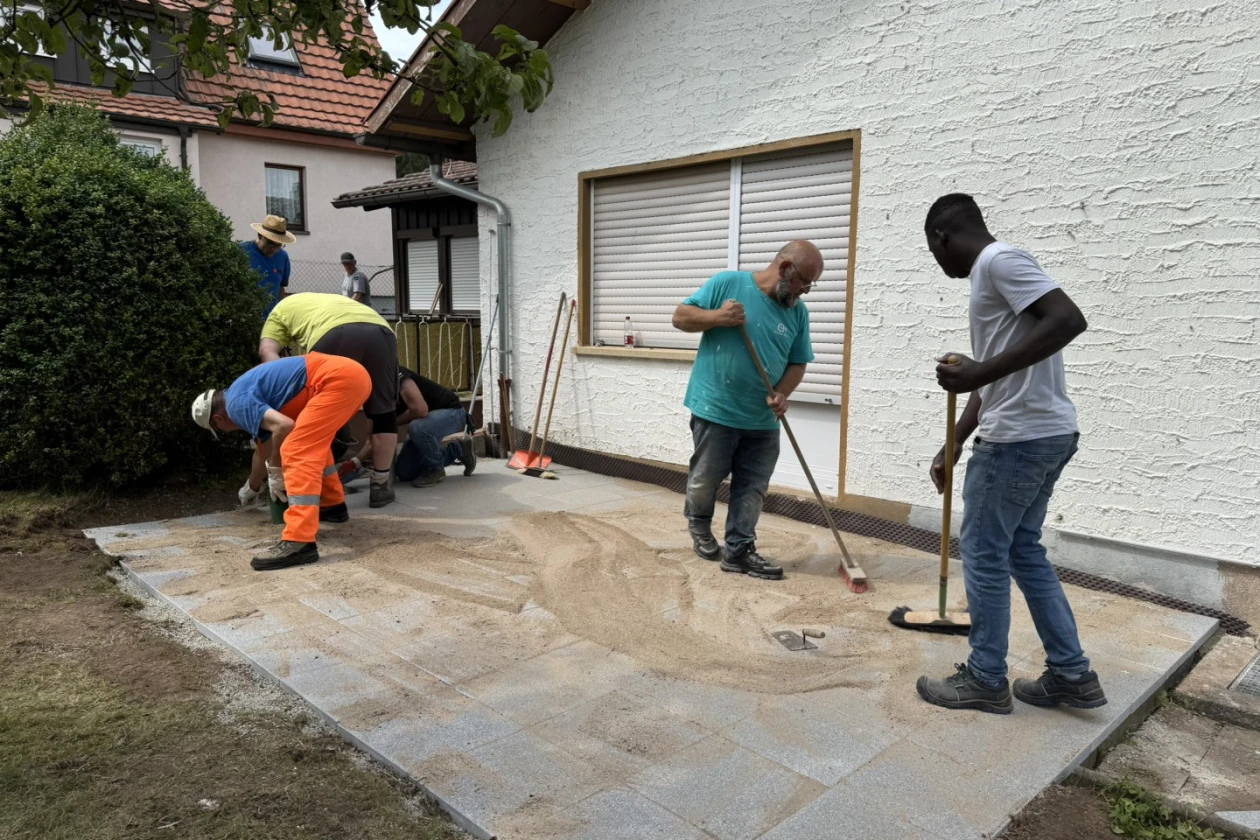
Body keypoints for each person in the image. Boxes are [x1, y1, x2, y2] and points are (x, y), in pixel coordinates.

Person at [915, 193, 1105, 715]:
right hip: (1043, 434)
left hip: (1018, 441)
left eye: (933, 252)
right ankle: (1072, 674)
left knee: (983, 552)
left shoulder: (999, 261)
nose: (937, 263)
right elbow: (997, 374)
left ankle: (985, 678)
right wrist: (954, 440)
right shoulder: (993, 277)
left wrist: (979, 371)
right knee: (1022, 550)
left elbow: (1069, 319)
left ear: (942, 238)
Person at [670, 240, 821, 581]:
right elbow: (680, 318)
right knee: (706, 477)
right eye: (805, 282)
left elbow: (798, 363)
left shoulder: (797, 312)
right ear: (785, 269)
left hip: (763, 418)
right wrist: (717, 317)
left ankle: (738, 550)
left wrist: (782, 393)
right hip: (715, 408)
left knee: (752, 486)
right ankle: (699, 525)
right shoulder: (728, 283)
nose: (806, 292)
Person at [191, 353, 371, 571]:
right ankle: (332, 505)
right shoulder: (241, 395)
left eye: (219, 430)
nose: (225, 432)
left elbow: (284, 427)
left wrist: (276, 471)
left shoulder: (236, 406)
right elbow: (263, 451)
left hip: (335, 380)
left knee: (296, 448)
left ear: (218, 419)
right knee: (312, 443)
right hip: (347, 376)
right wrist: (252, 487)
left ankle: (299, 540)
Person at [260, 293, 400, 508]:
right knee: (383, 412)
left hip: (333, 333)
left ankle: (322, 485)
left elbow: (267, 352)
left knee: (320, 414)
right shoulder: (329, 300)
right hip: (380, 332)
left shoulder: (279, 311)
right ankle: (380, 485)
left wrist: (285, 387)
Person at [346, 367, 475, 487]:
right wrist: (355, 462)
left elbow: (420, 410)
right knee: (405, 472)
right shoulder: (371, 400)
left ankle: (435, 469)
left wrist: (392, 424)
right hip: (425, 424)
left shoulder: (394, 375)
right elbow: (375, 437)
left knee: (417, 428)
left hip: (452, 413)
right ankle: (460, 449)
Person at [241, 214, 295, 319]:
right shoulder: (242, 251)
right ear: (260, 235)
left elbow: (281, 287)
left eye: (278, 245)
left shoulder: (283, 257)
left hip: (270, 321)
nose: (273, 249)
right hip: (244, 320)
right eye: (270, 243)